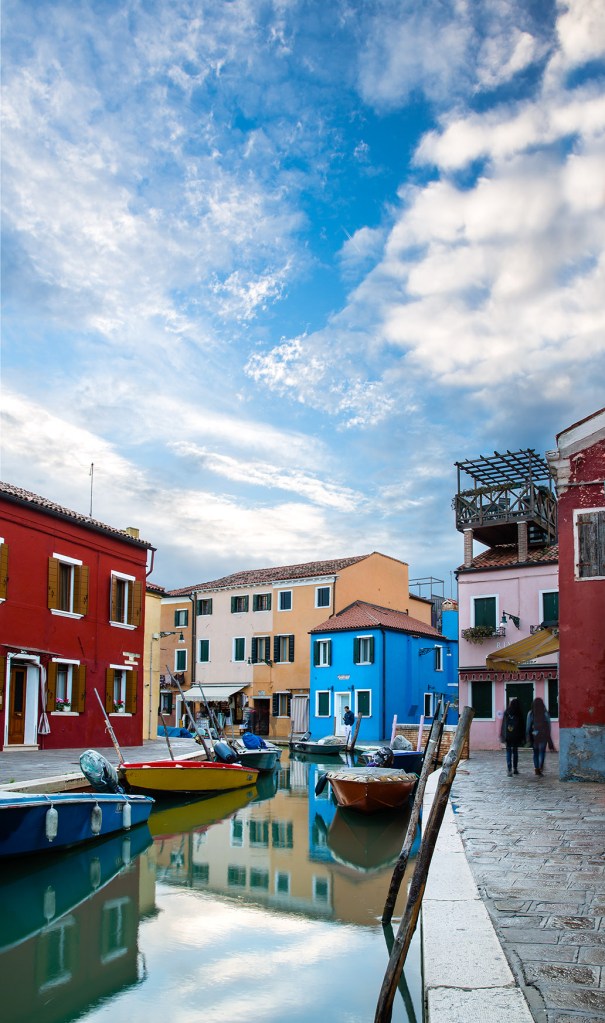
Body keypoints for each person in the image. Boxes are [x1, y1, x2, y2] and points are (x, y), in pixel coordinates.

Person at [526, 696, 555, 775]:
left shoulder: (531, 713)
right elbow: (549, 726)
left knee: (535, 753)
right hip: (543, 735)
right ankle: (540, 766)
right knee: (542, 752)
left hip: (534, 735)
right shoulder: (545, 713)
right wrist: (548, 736)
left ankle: (536, 768)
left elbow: (528, 726)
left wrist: (528, 736)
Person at [500, 697, 525, 776]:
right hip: (516, 736)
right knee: (515, 752)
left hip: (508, 736)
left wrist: (502, 735)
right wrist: (523, 736)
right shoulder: (519, 713)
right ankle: (515, 768)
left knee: (508, 752)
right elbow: (522, 726)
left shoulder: (506, 712)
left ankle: (509, 769)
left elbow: (503, 725)